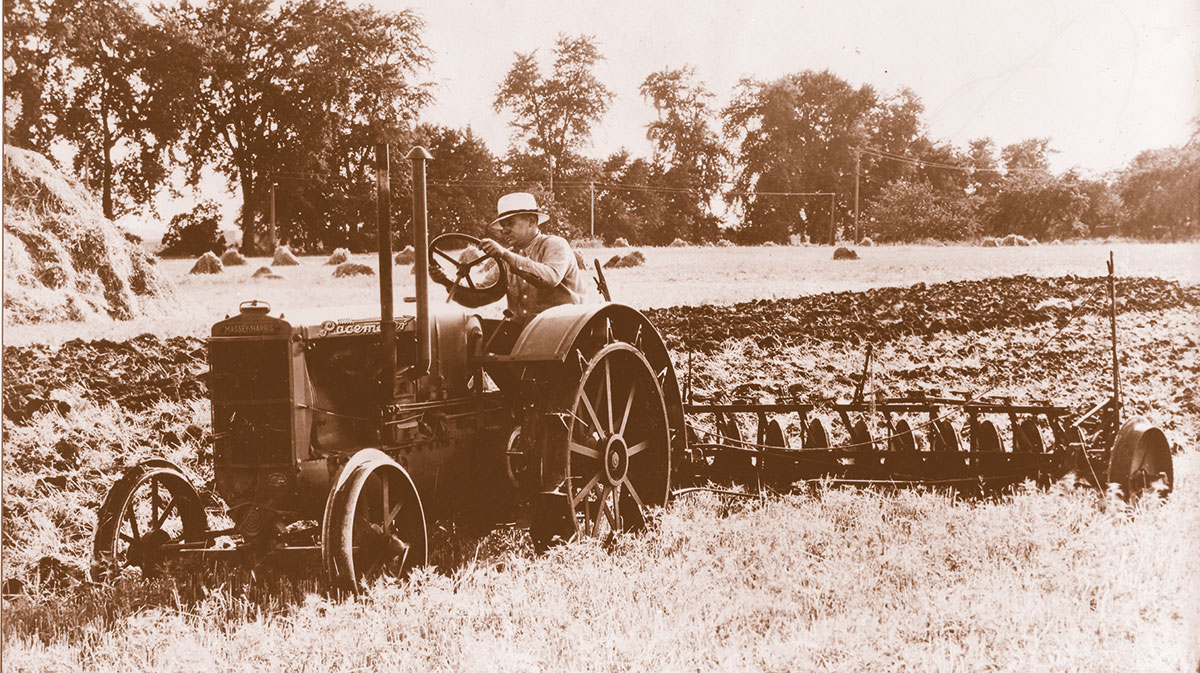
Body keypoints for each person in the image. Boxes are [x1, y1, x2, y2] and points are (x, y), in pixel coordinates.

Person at [431, 192, 586, 324]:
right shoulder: (507, 258)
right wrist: (446, 280)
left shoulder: (555, 245)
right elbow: (481, 296)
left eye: (509, 224)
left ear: (531, 221)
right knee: (470, 331)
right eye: (503, 225)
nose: (504, 231)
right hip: (524, 330)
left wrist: (505, 254)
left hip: (563, 327)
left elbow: (550, 277)